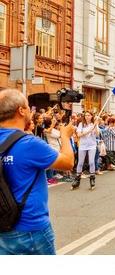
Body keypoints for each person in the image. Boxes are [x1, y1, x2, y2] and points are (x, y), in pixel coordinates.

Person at [0, 88, 74, 255]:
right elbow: (68, 162)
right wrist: (65, 136)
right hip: (30, 228)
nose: (30, 110)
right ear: (20, 111)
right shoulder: (30, 144)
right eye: (28, 106)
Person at [72, 111, 99, 190]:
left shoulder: (93, 124)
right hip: (83, 145)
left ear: (91, 116)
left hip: (92, 145)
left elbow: (97, 135)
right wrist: (88, 131)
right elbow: (79, 135)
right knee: (80, 162)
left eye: (89, 115)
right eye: (86, 115)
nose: (87, 117)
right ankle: (77, 179)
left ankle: (92, 178)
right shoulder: (81, 125)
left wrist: (96, 126)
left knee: (91, 161)